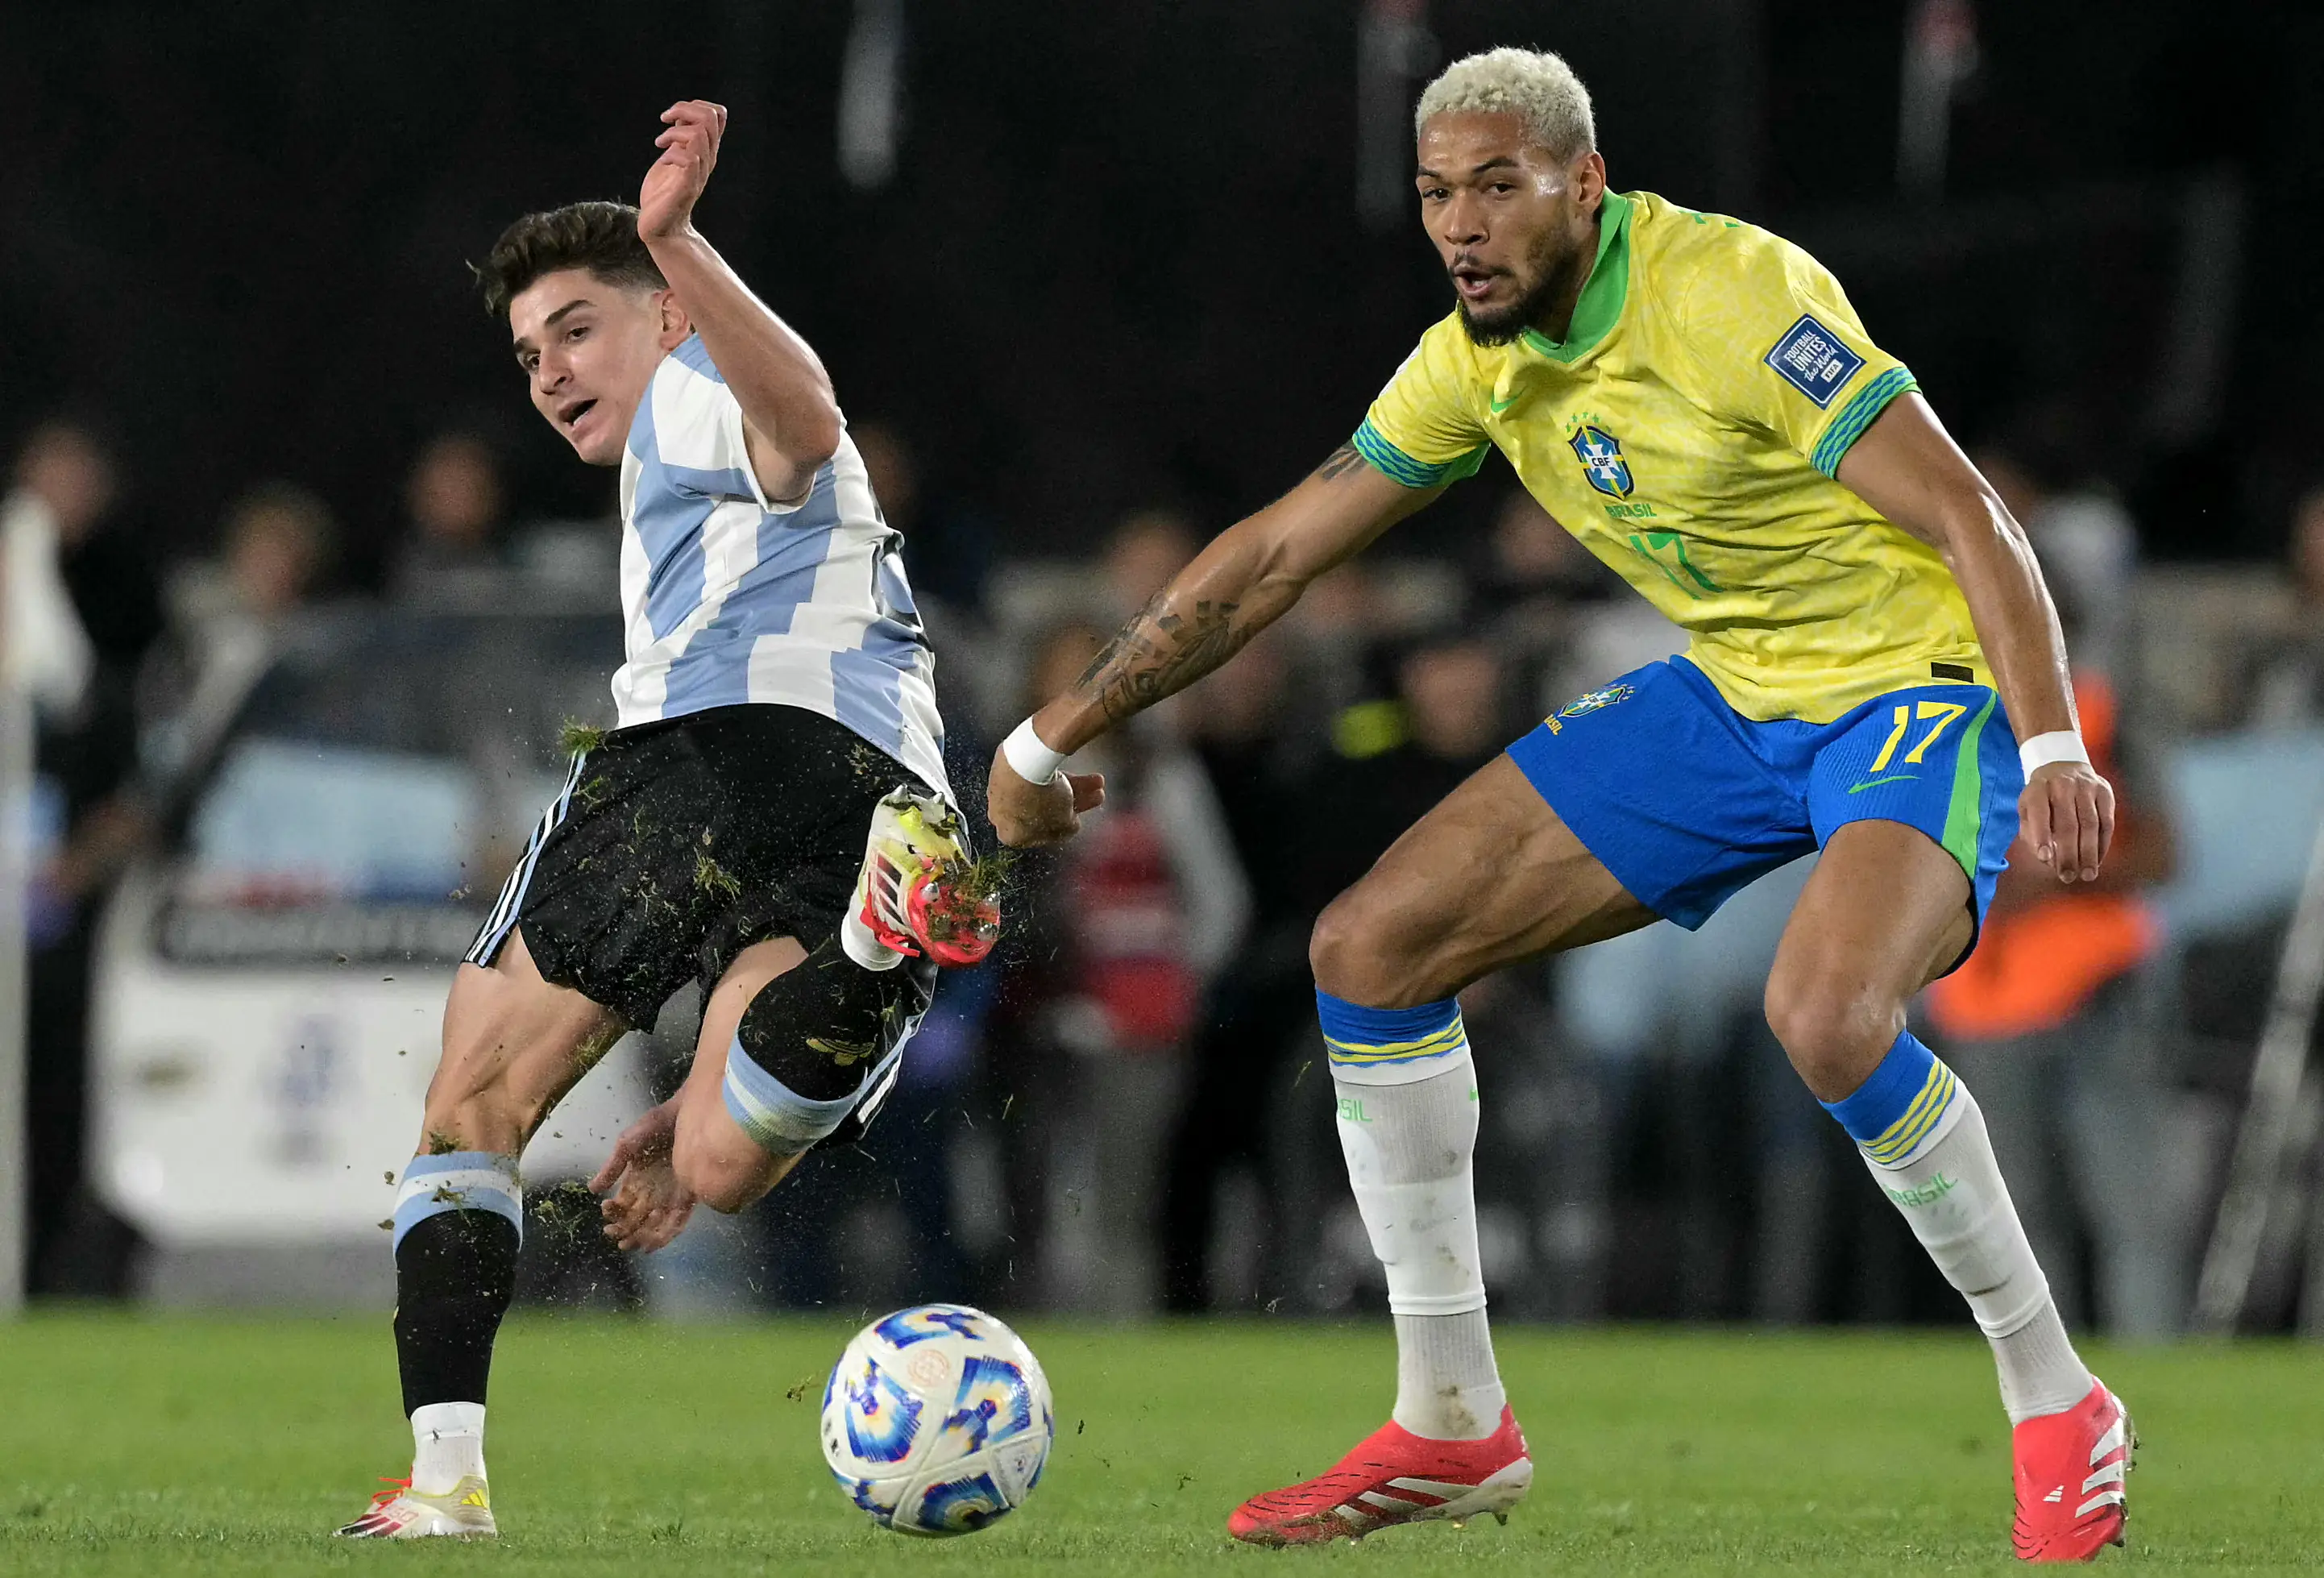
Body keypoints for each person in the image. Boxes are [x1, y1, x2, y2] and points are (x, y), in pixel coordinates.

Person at [986, 48, 2128, 1562]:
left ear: (1583, 185)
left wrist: (2054, 748)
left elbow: (1970, 513)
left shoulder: (1730, 295)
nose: (1461, 226)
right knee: (1368, 947)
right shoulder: (1472, 361)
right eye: (1436, 194)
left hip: (1917, 689)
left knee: (1828, 1013)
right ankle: (1452, 1416)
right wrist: (1048, 729)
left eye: (1497, 188)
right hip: (1732, 695)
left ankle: (2059, 1397)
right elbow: (1273, 557)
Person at [339, 101, 998, 1539]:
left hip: (711, 747)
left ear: (663, 318)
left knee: (471, 1106)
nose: (550, 372)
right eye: (528, 355)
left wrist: (677, 244)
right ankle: (878, 948)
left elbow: (805, 415)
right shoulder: (686, 466)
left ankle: (444, 1485)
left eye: (577, 329)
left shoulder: (699, 378)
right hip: (883, 787)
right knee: (711, 1157)